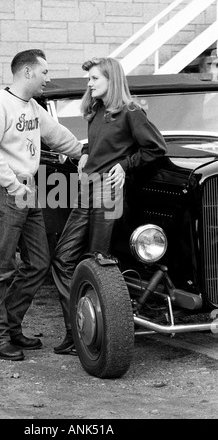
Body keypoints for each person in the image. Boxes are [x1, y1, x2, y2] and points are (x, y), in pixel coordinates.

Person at [51, 57, 167, 355]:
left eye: (94, 79)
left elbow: (155, 148)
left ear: (111, 81)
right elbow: (102, 144)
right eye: (89, 78)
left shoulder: (131, 112)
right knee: (64, 259)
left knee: (98, 261)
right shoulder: (96, 110)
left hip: (108, 193)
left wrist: (126, 165)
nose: (89, 83)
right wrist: (88, 153)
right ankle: (74, 329)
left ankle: (100, 335)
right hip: (86, 190)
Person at [0, 49, 82, 361]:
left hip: (29, 191)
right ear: (27, 73)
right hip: (7, 191)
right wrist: (12, 183)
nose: (48, 78)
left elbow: (55, 134)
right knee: (0, 267)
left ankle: (10, 325)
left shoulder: (33, 107)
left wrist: (80, 152)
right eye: (44, 72)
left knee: (38, 262)